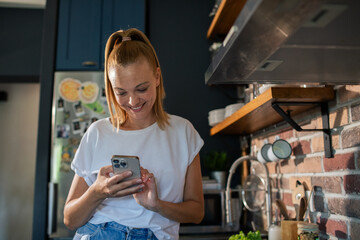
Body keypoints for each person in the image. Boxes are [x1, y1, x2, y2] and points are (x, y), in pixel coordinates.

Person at [64, 28, 204, 240]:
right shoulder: (97, 132)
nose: (133, 101)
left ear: (157, 77)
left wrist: (156, 205)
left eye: (141, 89)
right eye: (121, 92)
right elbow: (70, 220)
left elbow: (196, 213)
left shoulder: (183, 132)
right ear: (112, 89)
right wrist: (98, 192)